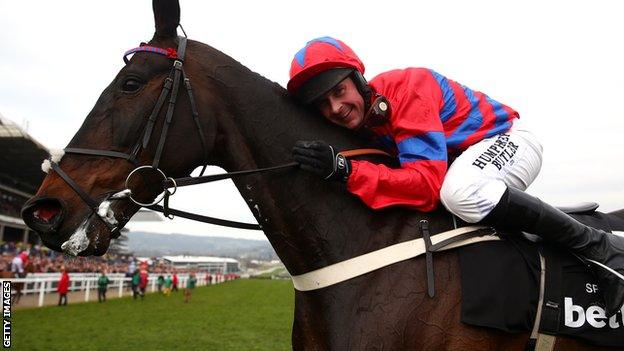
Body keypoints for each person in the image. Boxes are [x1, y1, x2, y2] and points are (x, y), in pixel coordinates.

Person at [288, 36, 624, 317]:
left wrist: (347, 171)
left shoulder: (406, 88)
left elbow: (426, 185)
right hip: (466, 160)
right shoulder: (364, 124)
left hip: (508, 139)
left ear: (359, 81)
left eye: (339, 91)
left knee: (459, 192)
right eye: (323, 104)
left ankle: (603, 249)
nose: (334, 108)